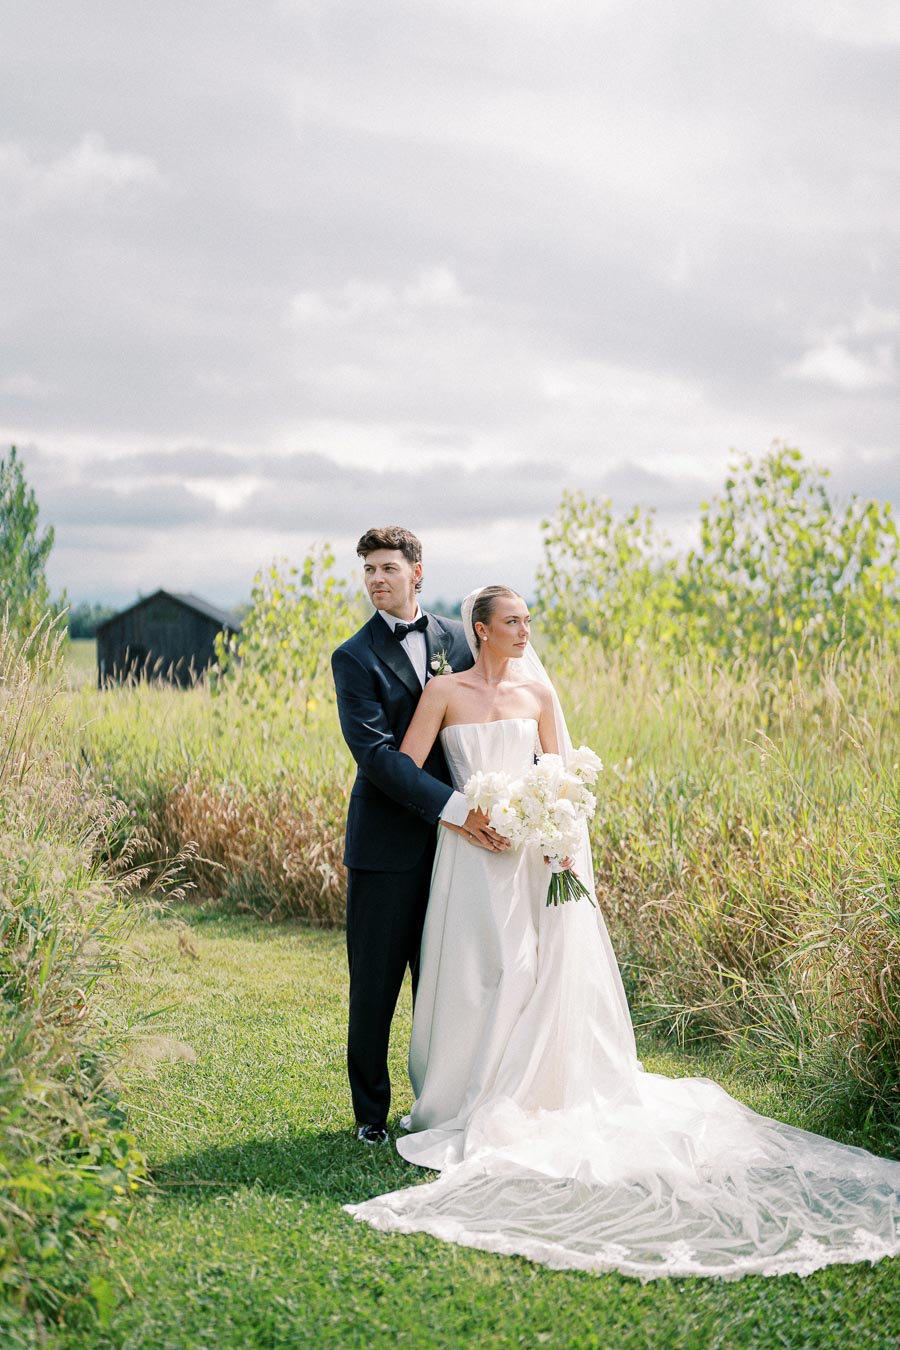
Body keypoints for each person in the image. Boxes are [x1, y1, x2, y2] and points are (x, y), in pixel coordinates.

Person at [344, 585, 900, 1280]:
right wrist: (463, 814)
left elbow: (561, 775)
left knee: (526, 971)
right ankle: (460, 1094)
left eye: (527, 620)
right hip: (469, 851)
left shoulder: (540, 695)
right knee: (473, 972)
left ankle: (522, 1094)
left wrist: (559, 836)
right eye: (511, 622)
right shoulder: (443, 694)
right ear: (479, 631)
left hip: (531, 857)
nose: (524, 631)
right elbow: (406, 765)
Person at [331, 529, 508, 1145]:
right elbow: (377, 757)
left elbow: (490, 711)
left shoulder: (458, 640)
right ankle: (370, 1116)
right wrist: (455, 807)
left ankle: (449, 1099)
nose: (377, 579)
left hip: (460, 852)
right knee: (375, 983)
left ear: (417, 573)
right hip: (387, 846)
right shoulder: (352, 658)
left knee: (452, 978)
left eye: (388, 568)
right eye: (368, 571)